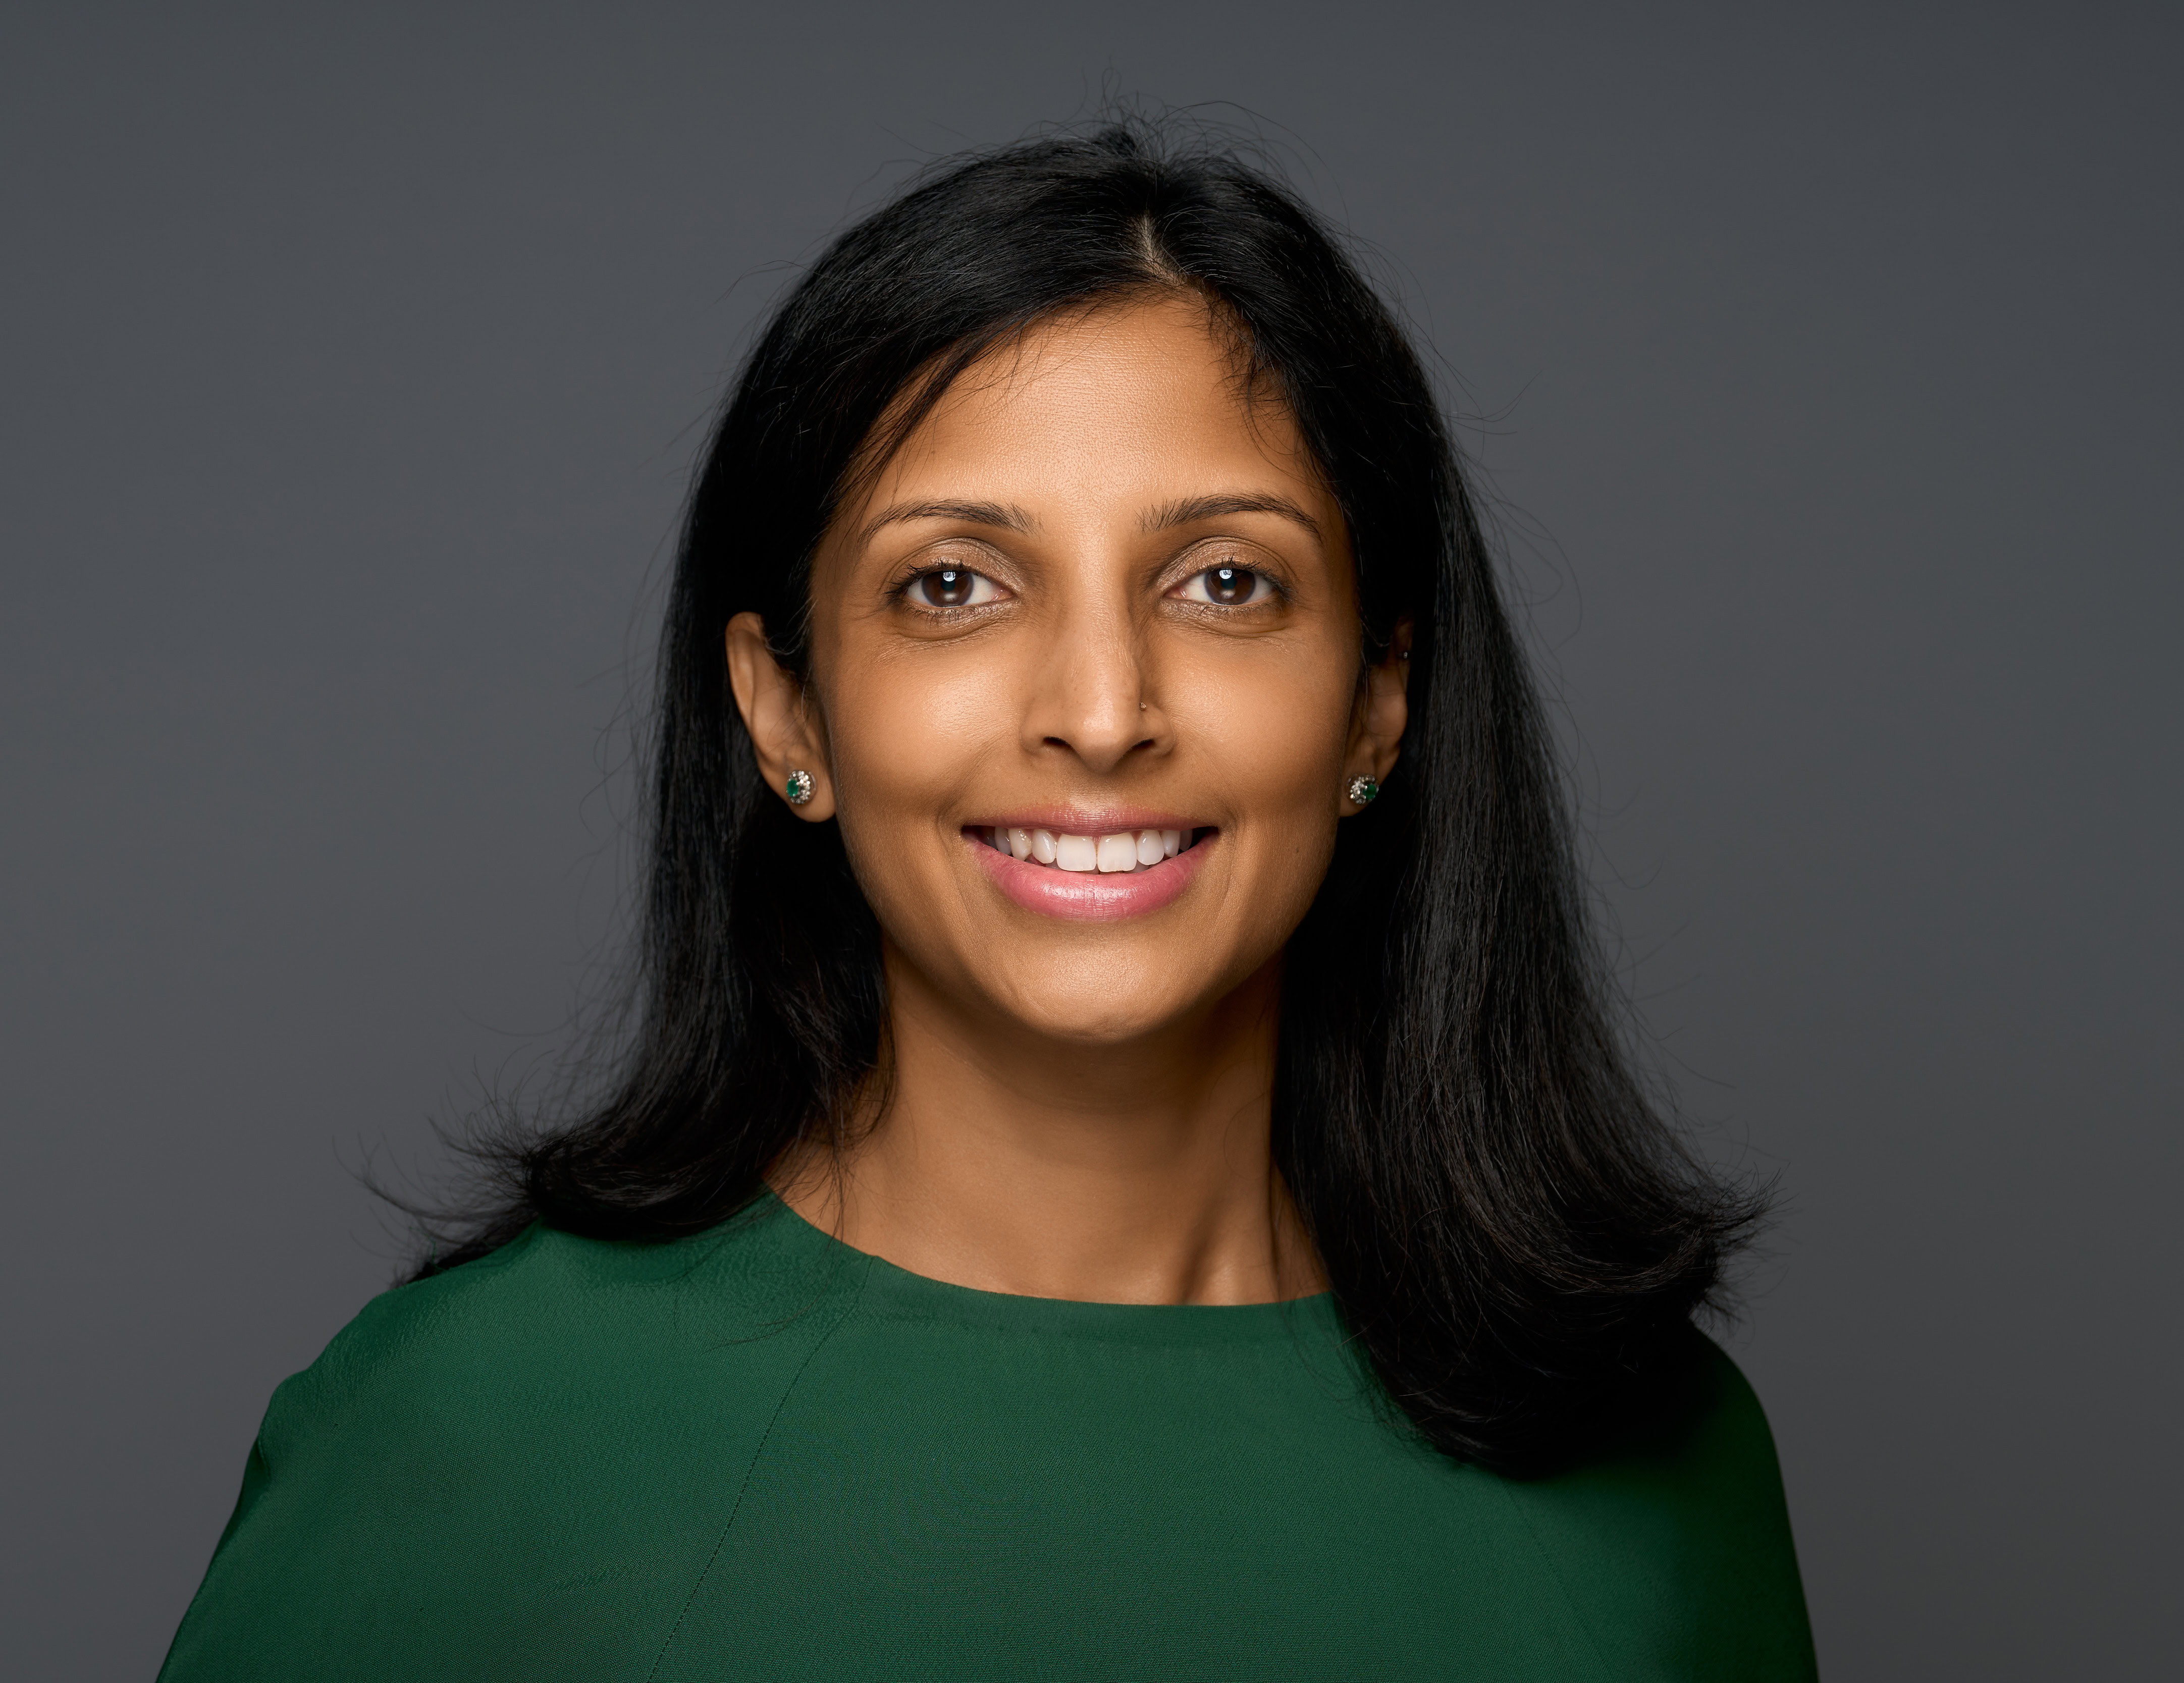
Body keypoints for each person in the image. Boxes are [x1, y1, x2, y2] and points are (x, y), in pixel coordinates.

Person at [159, 123, 1817, 1680]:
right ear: (787, 713)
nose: (1101, 711)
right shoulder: (477, 1433)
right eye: (953, 586)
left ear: (1380, 703)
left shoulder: (1662, 1468)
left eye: (1225, 583)